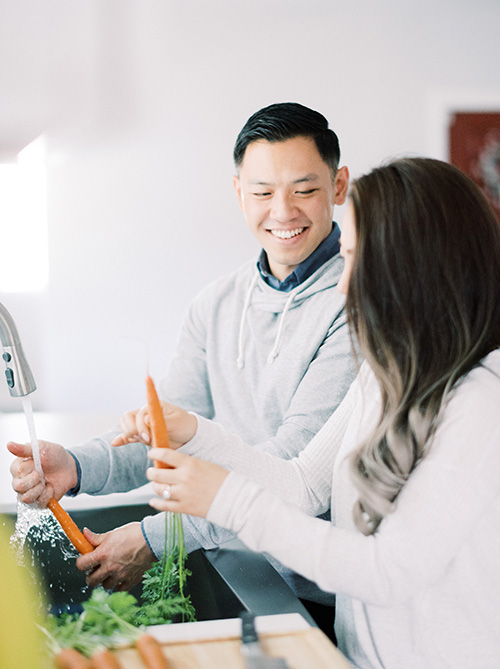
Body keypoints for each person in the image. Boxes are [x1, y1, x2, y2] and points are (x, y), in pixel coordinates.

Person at [126, 157, 500, 668]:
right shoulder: (383, 375)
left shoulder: (481, 406)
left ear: (407, 269)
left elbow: (386, 572)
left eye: (353, 261)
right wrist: (193, 432)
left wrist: (227, 500)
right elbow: (302, 484)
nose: (343, 286)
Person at [8, 103, 355, 634]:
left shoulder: (357, 307)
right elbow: (166, 434)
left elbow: (292, 474)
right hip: (238, 557)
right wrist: (77, 466)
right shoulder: (216, 303)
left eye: (304, 189)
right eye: (262, 192)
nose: (282, 211)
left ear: (338, 186)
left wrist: (157, 536)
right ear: (239, 192)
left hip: (320, 591)